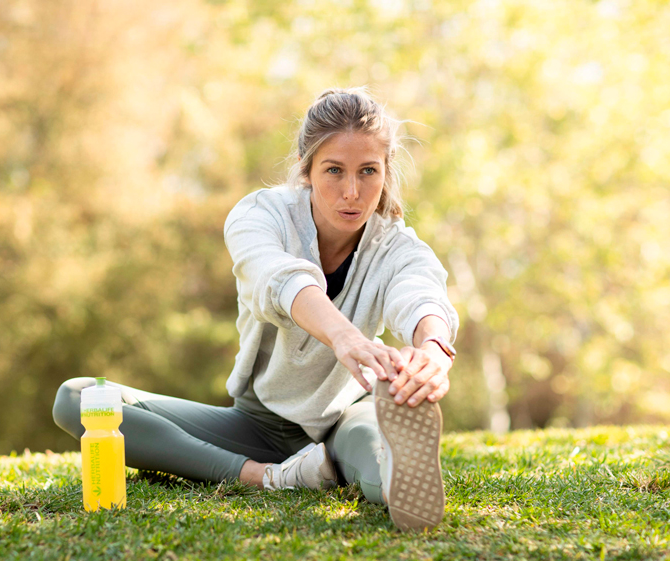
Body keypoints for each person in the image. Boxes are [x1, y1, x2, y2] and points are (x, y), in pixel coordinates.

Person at [53, 87, 458, 531]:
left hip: (346, 415)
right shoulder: (258, 216)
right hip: (257, 425)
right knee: (77, 399)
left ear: (386, 172)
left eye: (368, 171)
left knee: (385, 478)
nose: (352, 191)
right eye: (334, 171)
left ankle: (368, 464)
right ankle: (269, 478)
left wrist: (432, 351)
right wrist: (344, 337)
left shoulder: (395, 245)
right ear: (306, 169)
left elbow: (420, 292)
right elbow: (279, 279)